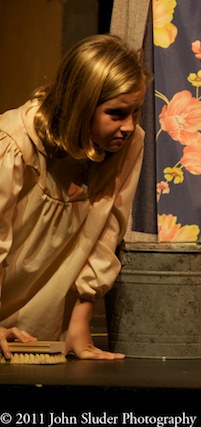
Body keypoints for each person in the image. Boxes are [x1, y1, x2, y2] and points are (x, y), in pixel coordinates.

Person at [0, 34, 152, 361]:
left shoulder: (128, 144)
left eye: (136, 112)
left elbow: (108, 230)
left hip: (40, 328)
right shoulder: (15, 143)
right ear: (81, 105)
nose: (129, 126)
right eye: (116, 113)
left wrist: (80, 321)